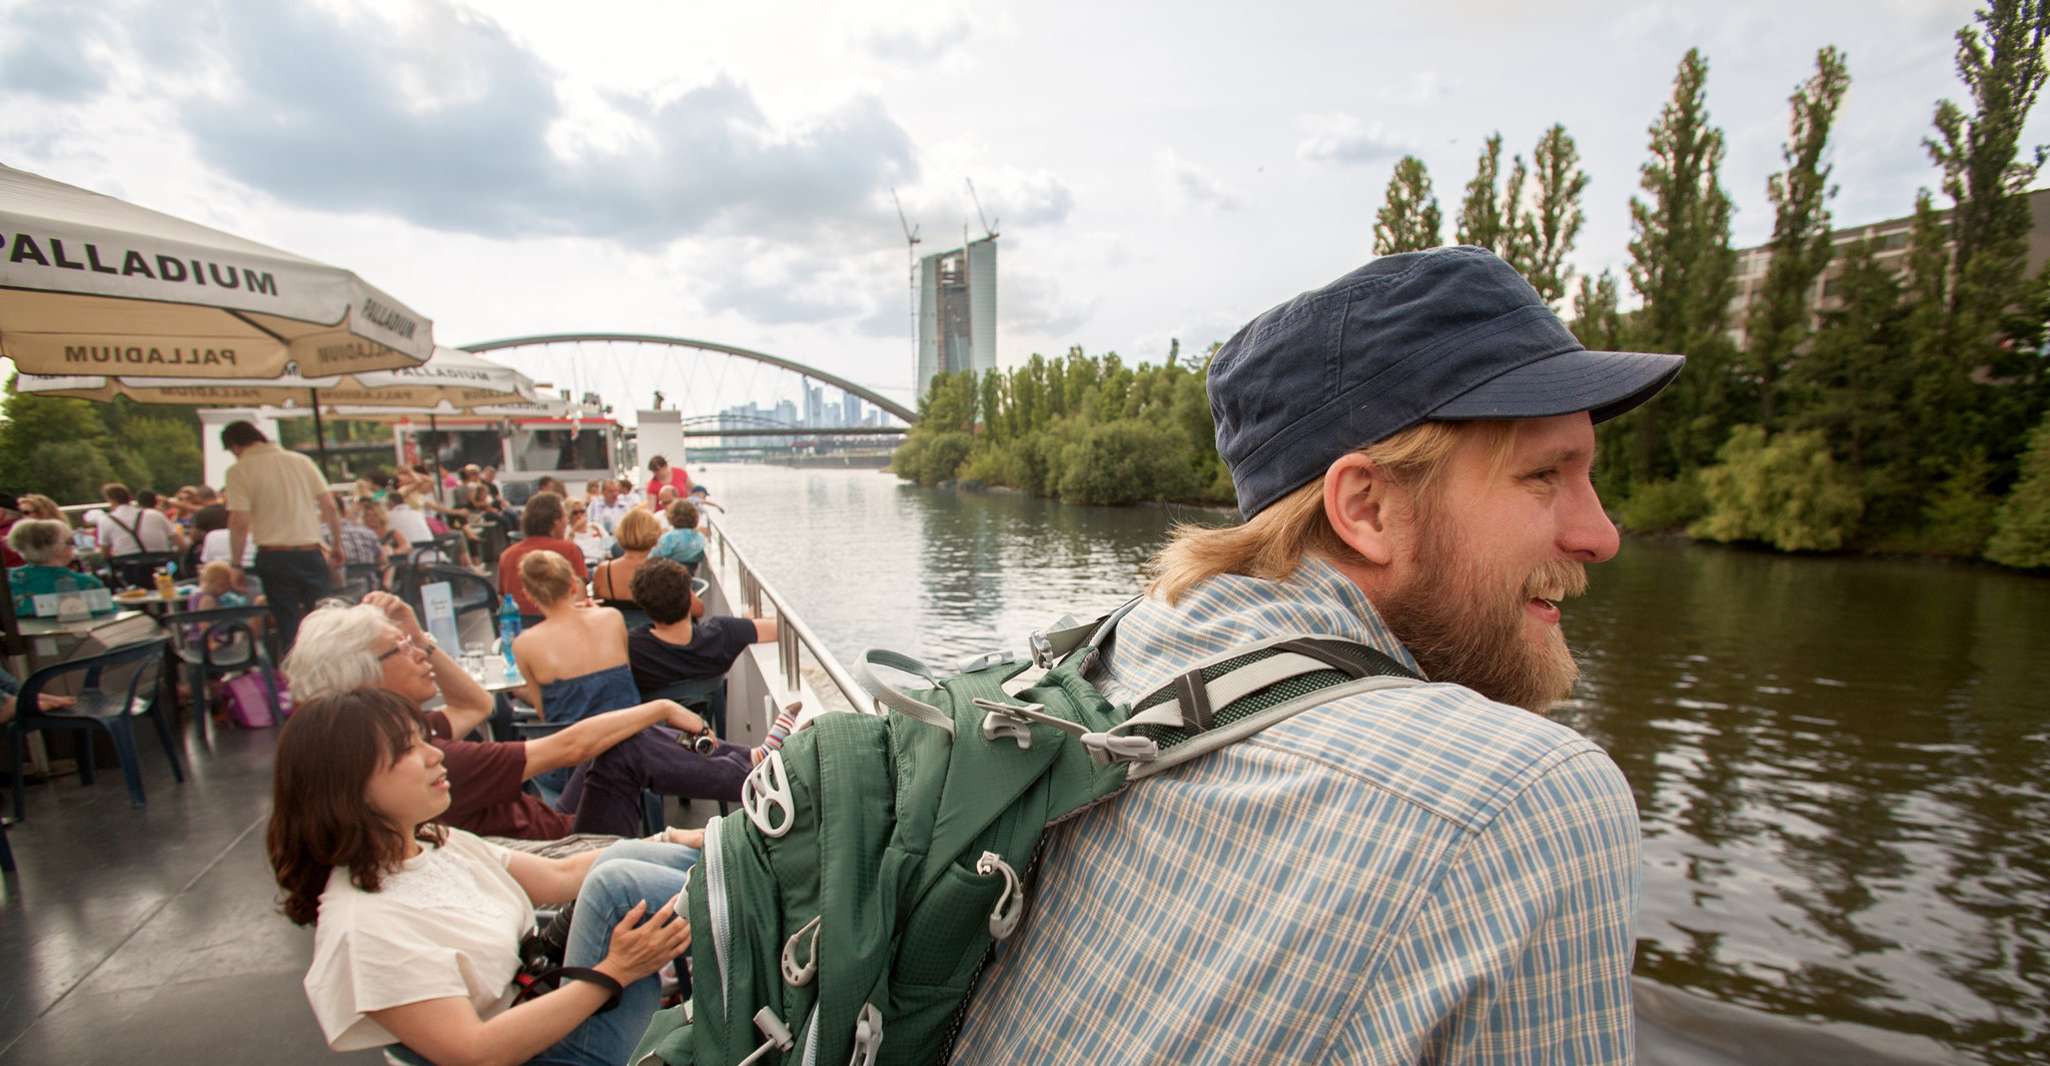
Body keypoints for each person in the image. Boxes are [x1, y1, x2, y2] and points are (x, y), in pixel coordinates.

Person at [950, 247, 1682, 1063]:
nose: (1601, 534)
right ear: (1366, 507)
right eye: (1545, 475)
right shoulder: (1525, 805)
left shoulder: (1107, 657)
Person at [269, 687, 697, 1065]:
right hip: (550, 1054)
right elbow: (478, 1053)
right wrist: (615, 972)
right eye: (407, 749)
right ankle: (746, 882)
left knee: (615, 871)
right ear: (349, 785)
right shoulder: (365, 929)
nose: (436, 753)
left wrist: (675, 837)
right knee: (616, 885)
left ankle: (732, 864)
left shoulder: (433, 843)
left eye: (425, 739)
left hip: (550, 1004)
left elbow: (561, 875)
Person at [283, 595, 747, 841]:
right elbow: (566, 748)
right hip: (560, 847)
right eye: (402, 648)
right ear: (366, 674)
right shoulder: (415, 757)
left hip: (548, 822)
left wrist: (418, 635)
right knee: (626, 741)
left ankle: (755, 766)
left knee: (622, 737)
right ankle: (761, 778)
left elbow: (476, 707)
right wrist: (661, 708)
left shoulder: (396, 734)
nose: (418, 652)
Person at [221, 420, 343, 653]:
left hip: (274, 555)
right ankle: (337, 677)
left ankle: (300, 681)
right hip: (311, 551)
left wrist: (235, 564)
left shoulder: (239, 470)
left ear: (235, 447)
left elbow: (239, 521)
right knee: (326, 621)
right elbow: (330, 506)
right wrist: (336, 544)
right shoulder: (301, 461)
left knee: (288, 623)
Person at [623, 558, 774, 713]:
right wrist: (743, 624)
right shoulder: (724, 632)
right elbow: (778, 629)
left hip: (656, 728)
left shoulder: (633, 646)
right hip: (704, 717)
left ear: (643, 605)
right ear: (690, 596)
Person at [495, 492, 587, 625]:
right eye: (565, 517)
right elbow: (580, 599)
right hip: (561, 629)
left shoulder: (506, 555)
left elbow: (503, 600)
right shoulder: (570, 550)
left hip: (519, 630)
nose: (567, 522)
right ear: (556, 521)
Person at [7, 518, 107, 616]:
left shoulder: (7, 579)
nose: (74, 546)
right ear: (58, 547)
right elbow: (109, 618)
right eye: (71, 541)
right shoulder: (87, 584)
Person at [92, 482, 186, 585]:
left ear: (110, 500)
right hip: (163, 568)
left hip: (129, 570)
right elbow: (181, 545)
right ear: (130, 498)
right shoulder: (155, 514)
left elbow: (105, 554)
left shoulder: (106, 520)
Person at [589, 509, 660, 616]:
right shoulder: (663, 571)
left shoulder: (604, 570)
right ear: (655, 536)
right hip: (654, 630)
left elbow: (598, 605)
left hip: (614, 630)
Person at [649, 501, 704, 573]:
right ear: (695, 517)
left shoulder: (669, 538)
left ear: (671, 517)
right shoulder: (699, 537)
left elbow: (653, 557)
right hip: (691, 573)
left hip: (669, 575)